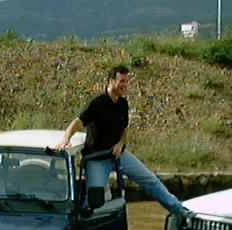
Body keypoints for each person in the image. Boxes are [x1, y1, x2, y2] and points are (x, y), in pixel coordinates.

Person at [55, 65, 192, 218]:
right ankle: (81, 223)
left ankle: (179, 210)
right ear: (111, 81)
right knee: (94, 199)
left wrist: (120, 144)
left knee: (151, 180)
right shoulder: (97, 103)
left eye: (127, 81)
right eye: (122, 81)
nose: (125, 85)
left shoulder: (123, 104)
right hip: (97, 158)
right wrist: (65, 140)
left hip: (119, 155)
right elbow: (77, 122)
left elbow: (125, 128)